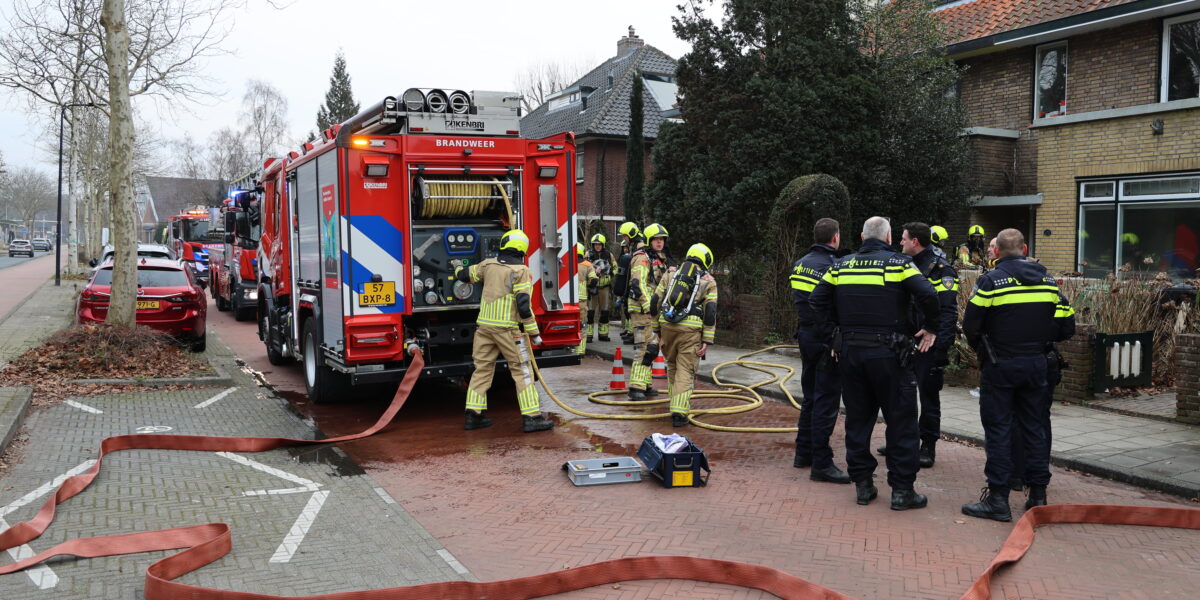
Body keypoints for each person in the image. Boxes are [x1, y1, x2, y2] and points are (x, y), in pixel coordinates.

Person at [810, 216, 940, 510]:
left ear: (861, 235)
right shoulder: (899, 264)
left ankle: (863, 486)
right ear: (889, 237)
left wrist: (832, 337)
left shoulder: (841, 265)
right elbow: (929, 294)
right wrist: (931, 327)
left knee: (858, 421)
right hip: (891, 356)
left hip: (852, 356)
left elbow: (816, 301)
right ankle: (902, 491)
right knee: (902, 422)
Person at [961, 229, 1075, 521]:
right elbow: (1066, 326)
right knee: (1034, 427)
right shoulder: (1049, 282)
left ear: (997, 251)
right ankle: (1038, 495)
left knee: (998, 430)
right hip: (1037, 364)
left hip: (1000, 365)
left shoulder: (990, 282)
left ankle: (998, 500)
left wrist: (986, 350)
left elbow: (970, 325)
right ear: (1024, 249)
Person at [455, 229, 554, 433]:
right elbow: (524, 306)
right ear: (522, 249)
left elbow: (465, 275)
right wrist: (534, 333)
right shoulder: (521, 271)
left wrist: (456, 267)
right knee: (522, 370)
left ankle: (474, 416)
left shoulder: (488, 265)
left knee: (481, 369)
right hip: (508, 330)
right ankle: (532, 417)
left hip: (484, 328)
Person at [877, 223, 959, 468]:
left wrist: (940, 349)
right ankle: (900, 440)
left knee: (928, 397)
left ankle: (927, 446)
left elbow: (947, 312)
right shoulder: (902, 264)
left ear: (915, 241)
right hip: (904, 340)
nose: (900, 243)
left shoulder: (942, 270)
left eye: (903, 239)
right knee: (898, 394)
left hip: (928, 344)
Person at [788, 217, 850, 484]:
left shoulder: (799, 264)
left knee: (810, 397)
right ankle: (822, 464)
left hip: (805, 336)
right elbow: (834, 306)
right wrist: (833, 339)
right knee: (826, 401)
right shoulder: (832, 267)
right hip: (824, 341)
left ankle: (803, 453)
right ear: (835, 238)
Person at [651, 243, 719, 427]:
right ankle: (679, 413)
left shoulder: (671, 273)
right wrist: (707, 339)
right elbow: (711, 311)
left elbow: (655, 301)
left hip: (667, 326)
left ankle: (675, 404)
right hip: (690, 330)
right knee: (685, 369)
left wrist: (656, 328)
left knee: (672, 365)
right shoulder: (708, 280)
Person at [626, 223, 671, 400]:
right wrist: (648, 308)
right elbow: (638, 284)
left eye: (662, 240)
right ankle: (635, 387)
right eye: (656, 239)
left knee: (651, 348)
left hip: (652, 311)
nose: (660, 243)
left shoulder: (659, 258)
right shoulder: (642, 257)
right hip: (641, 310)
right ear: (649, 240)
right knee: (643, 347)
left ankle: (645, 384)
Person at [585, 233, 615, 342]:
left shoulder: (609, 255)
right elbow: (584, 269)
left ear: (603, 245)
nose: (597, 246)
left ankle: (603, 334)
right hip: (592, 287)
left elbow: (615, 268)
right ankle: (588, 335)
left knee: (605, 311)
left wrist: (609, 272)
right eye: (595, 244)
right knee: (590, 312)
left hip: (605, 287)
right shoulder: (588, 254)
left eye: (599, 244)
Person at [576, 243, 598, 353]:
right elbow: (594, 280)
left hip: (566, 301)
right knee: (582, 324)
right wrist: (590, 287)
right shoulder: (587, 264)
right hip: (581, 300)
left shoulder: (566, 262)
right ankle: (580, 350)